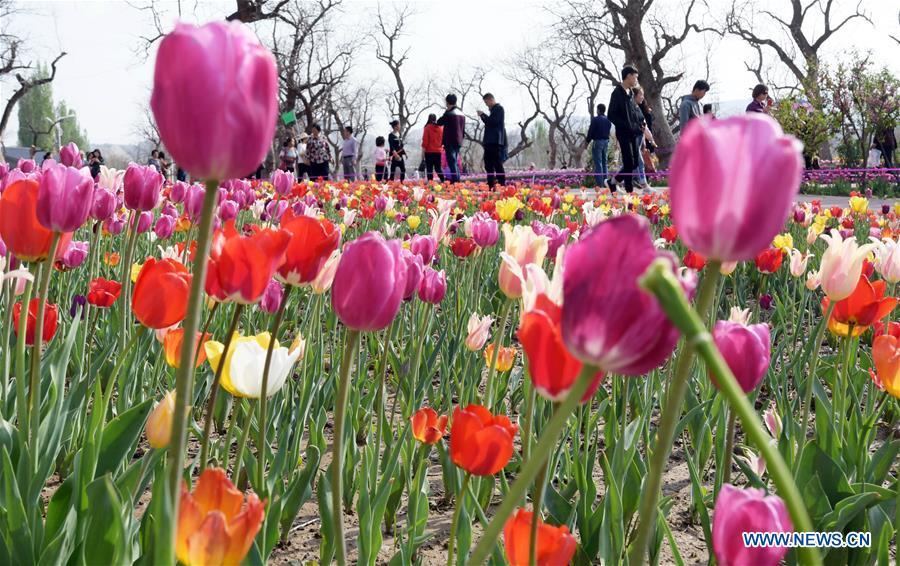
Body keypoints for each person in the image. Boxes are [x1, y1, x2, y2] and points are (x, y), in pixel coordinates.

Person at [607, 65, 643, 193]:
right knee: (628, 162)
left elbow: (634, 113)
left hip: (634, 133)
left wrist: (638, 125)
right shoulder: (617, 93)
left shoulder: (631, 93)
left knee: (634, 163)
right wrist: (625, 125)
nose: (636, 80)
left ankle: (613, 181)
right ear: (628, 76)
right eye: (635, 77)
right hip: (623, 133)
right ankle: (629, 191)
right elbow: (611, 114)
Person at [478, 92, 507, 189]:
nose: (487, 105)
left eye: (486, 103)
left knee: (497, 163)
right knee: (488, 164)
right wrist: (483, 116)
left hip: (495, 141)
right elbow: (489, 122)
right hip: (489, 142)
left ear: (491, 99)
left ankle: (501, 184)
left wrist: (483, 115)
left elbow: (492, 122)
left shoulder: (499, 109)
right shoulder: (493, 111)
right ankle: (491, 184)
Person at [437, 93, 466, 182]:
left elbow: (439, 122)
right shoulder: (462, 114)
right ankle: (457, 180)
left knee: (452, 162)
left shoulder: (449, 114)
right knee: (455, 162)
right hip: (459, 141)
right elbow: (463, 128)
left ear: (447, 102)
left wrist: (446, 112)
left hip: (449, 141)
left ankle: (455, 181)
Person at [634, 88, 656, 188]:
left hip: (643, 137)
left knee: (640, 161)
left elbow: (645, 126)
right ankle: (643, 182)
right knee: (641, 161)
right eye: (641, 95)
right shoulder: (638, 109)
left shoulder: (640, 110)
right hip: (639, 138)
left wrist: (650, 138)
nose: (642, 97)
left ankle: (641, 181)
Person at [586, 104, 612, 186]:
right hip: (606, 142)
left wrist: (587, 141)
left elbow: (591, 131)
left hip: (597, 142)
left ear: (598, 110)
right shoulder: (608, 119)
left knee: (598, 163)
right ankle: (605, 182)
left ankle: (600, 183)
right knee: (604, 162)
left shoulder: (595, 119)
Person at [422, 113, 444, 182]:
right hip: (438, 151)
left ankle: (430, 184)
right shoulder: (441, 128)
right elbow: (443, 140)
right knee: (438, 168)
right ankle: (443, 180)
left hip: (429, 152)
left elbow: (425, 141)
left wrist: (422, 154)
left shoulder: (427, 128)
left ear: (429, 119)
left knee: (429, 169)